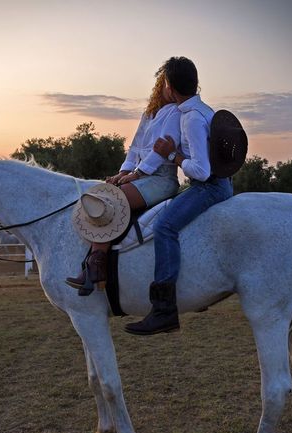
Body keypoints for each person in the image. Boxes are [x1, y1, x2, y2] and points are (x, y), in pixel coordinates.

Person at [124, 56, 234, 335]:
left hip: (208, 186)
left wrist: (170, 154)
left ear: (170, 87)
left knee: (165, 226)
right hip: (216, 183)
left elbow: (200, 170)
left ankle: (163, 310)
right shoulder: (203, 110)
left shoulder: (191, 119)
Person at [66, 65, 181, 294]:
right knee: (101, 194)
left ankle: (96, 266)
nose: (171, 89)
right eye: (169, 83)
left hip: (161, 178)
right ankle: (97, 262)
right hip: (141, 174)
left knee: (112, 201)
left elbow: (159, 152)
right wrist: (122, 172)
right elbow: (135, 148)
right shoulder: (149, 113)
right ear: (162, 84)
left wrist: (136, 174)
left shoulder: (177, 113)